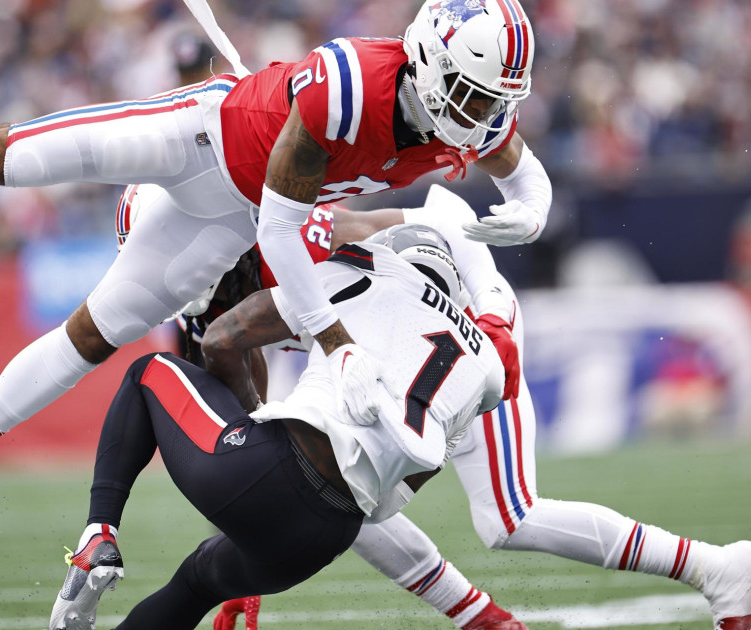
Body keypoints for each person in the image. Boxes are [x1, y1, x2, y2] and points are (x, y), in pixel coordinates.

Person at [0, 0, 550, 562]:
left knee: (96, 335)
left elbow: (525, 174)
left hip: (233, 215)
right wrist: (339, 344)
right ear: (426, 59)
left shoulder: (475, 116)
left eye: (492, 100)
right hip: (197, 138)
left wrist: (529, 208)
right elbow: (283, 234)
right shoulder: (350, 86)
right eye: (473, 94)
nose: (482, 116)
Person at [162, 183, 749, 630]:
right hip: (395, 362)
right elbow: (262, 448)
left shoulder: (310, 237)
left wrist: (491, 306)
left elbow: (448, 213)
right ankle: (483, 619)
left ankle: (716, 568)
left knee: (510, 515)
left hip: (465, 334)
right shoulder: (218, 318)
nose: (206, 308)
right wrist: (245, 547)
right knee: (333, 481)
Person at [49, 222, 506, 630]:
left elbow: (221, 339)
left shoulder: (369, 270)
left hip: (269, 468)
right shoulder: (485, 367)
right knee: (196, 582)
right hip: (327, 536)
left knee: (147, 371)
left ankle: (99, 535)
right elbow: (403, 488)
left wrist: (247, 427)